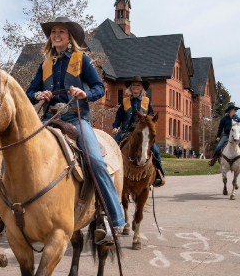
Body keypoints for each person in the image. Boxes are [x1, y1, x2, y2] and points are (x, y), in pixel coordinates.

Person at [16, 16, 126, 245]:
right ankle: (3, 212)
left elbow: (99, 88)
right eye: (53, 32)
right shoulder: (45, 64)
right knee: (16, 149)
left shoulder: (81, 59)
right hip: (48, 120)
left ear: (69, 37)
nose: (56, 35)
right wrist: (37, 95)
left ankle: (114, 218)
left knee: (95, 161)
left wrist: (85, 94)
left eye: (61, 32)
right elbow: (29, 92)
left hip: (76, 119)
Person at [112, 76, 165, 186]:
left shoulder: (147, 101)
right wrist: (115, 127)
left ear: (142, 88)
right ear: (130, 87)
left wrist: (147, 118)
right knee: (112, 145)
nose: (136, 87)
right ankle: (110, 174)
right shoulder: (125, 102)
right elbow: (118, 117)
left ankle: (159, 175)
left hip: (142, 132)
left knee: (155, 151)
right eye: (134, 85)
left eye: (138, 85)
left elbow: (151, 114)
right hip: (126, 130)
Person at [209, 104, 240, 169]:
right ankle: (213, 159)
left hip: (236, 136)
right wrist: (218, 136)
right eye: (234, 110)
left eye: (235, 110)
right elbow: (220, 128)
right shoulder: (224, 119)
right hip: (226, 135)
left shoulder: (238, 119)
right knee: (219, 146)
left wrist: (238, 134)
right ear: (230, 111)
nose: (235, 111)